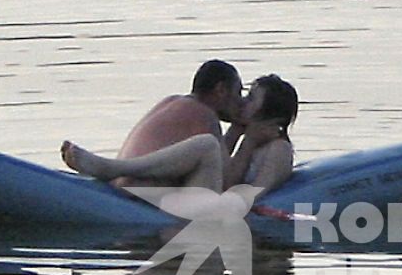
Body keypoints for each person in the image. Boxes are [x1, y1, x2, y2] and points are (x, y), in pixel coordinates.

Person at [61, 74, 299, 202]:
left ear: (269, 114)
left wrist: (245, 142)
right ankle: (114, 170)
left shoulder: (278, 149)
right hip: (201, 202)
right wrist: (237, 132)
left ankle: (113, 168)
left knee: (206, 145)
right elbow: (223, 168)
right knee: (207, 146)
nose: (241, 103)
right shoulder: (251, 140)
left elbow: (244, 195)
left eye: (250, 99)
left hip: (214, 213)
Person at [114, 59, 244, 161]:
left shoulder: (173, 102)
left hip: (123, 182)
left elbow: (218, 159)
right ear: (221, 89)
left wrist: (237, 128)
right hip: (138, 189)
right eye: (238, 92)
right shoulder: (203, 115)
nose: (241, 101)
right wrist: (250, 139)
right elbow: (225, 179)